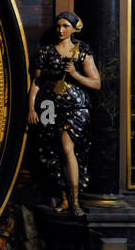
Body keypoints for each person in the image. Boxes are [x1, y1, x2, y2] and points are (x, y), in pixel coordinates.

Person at [27, 11, 100, 217]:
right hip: (49, 106)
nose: (61, 30)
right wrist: (31, 108)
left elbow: (96, 83)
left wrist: (75, 74)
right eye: (58, 26)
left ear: (74, 28)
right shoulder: (46, 52)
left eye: (65, 26)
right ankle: (65, 199)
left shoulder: (82, 51)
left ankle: (75, 201)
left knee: (67, 147)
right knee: (50, 152)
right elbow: (36, 83)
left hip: (75, 107)